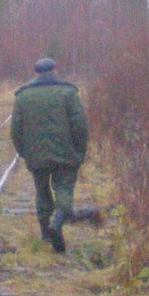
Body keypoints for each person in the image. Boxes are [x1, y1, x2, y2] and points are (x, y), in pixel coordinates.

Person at [10, 57, 89, 254]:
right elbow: (80, 126)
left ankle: (45, 233)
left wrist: (25, 153)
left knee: (42, 191)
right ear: (55, 71)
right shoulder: (69, 93)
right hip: (66, 153)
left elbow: (16, 130)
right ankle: (59, 221)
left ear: (36, 73)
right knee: (64, 188)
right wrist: (79, 151)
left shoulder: (23, 96)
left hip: (36, 155)